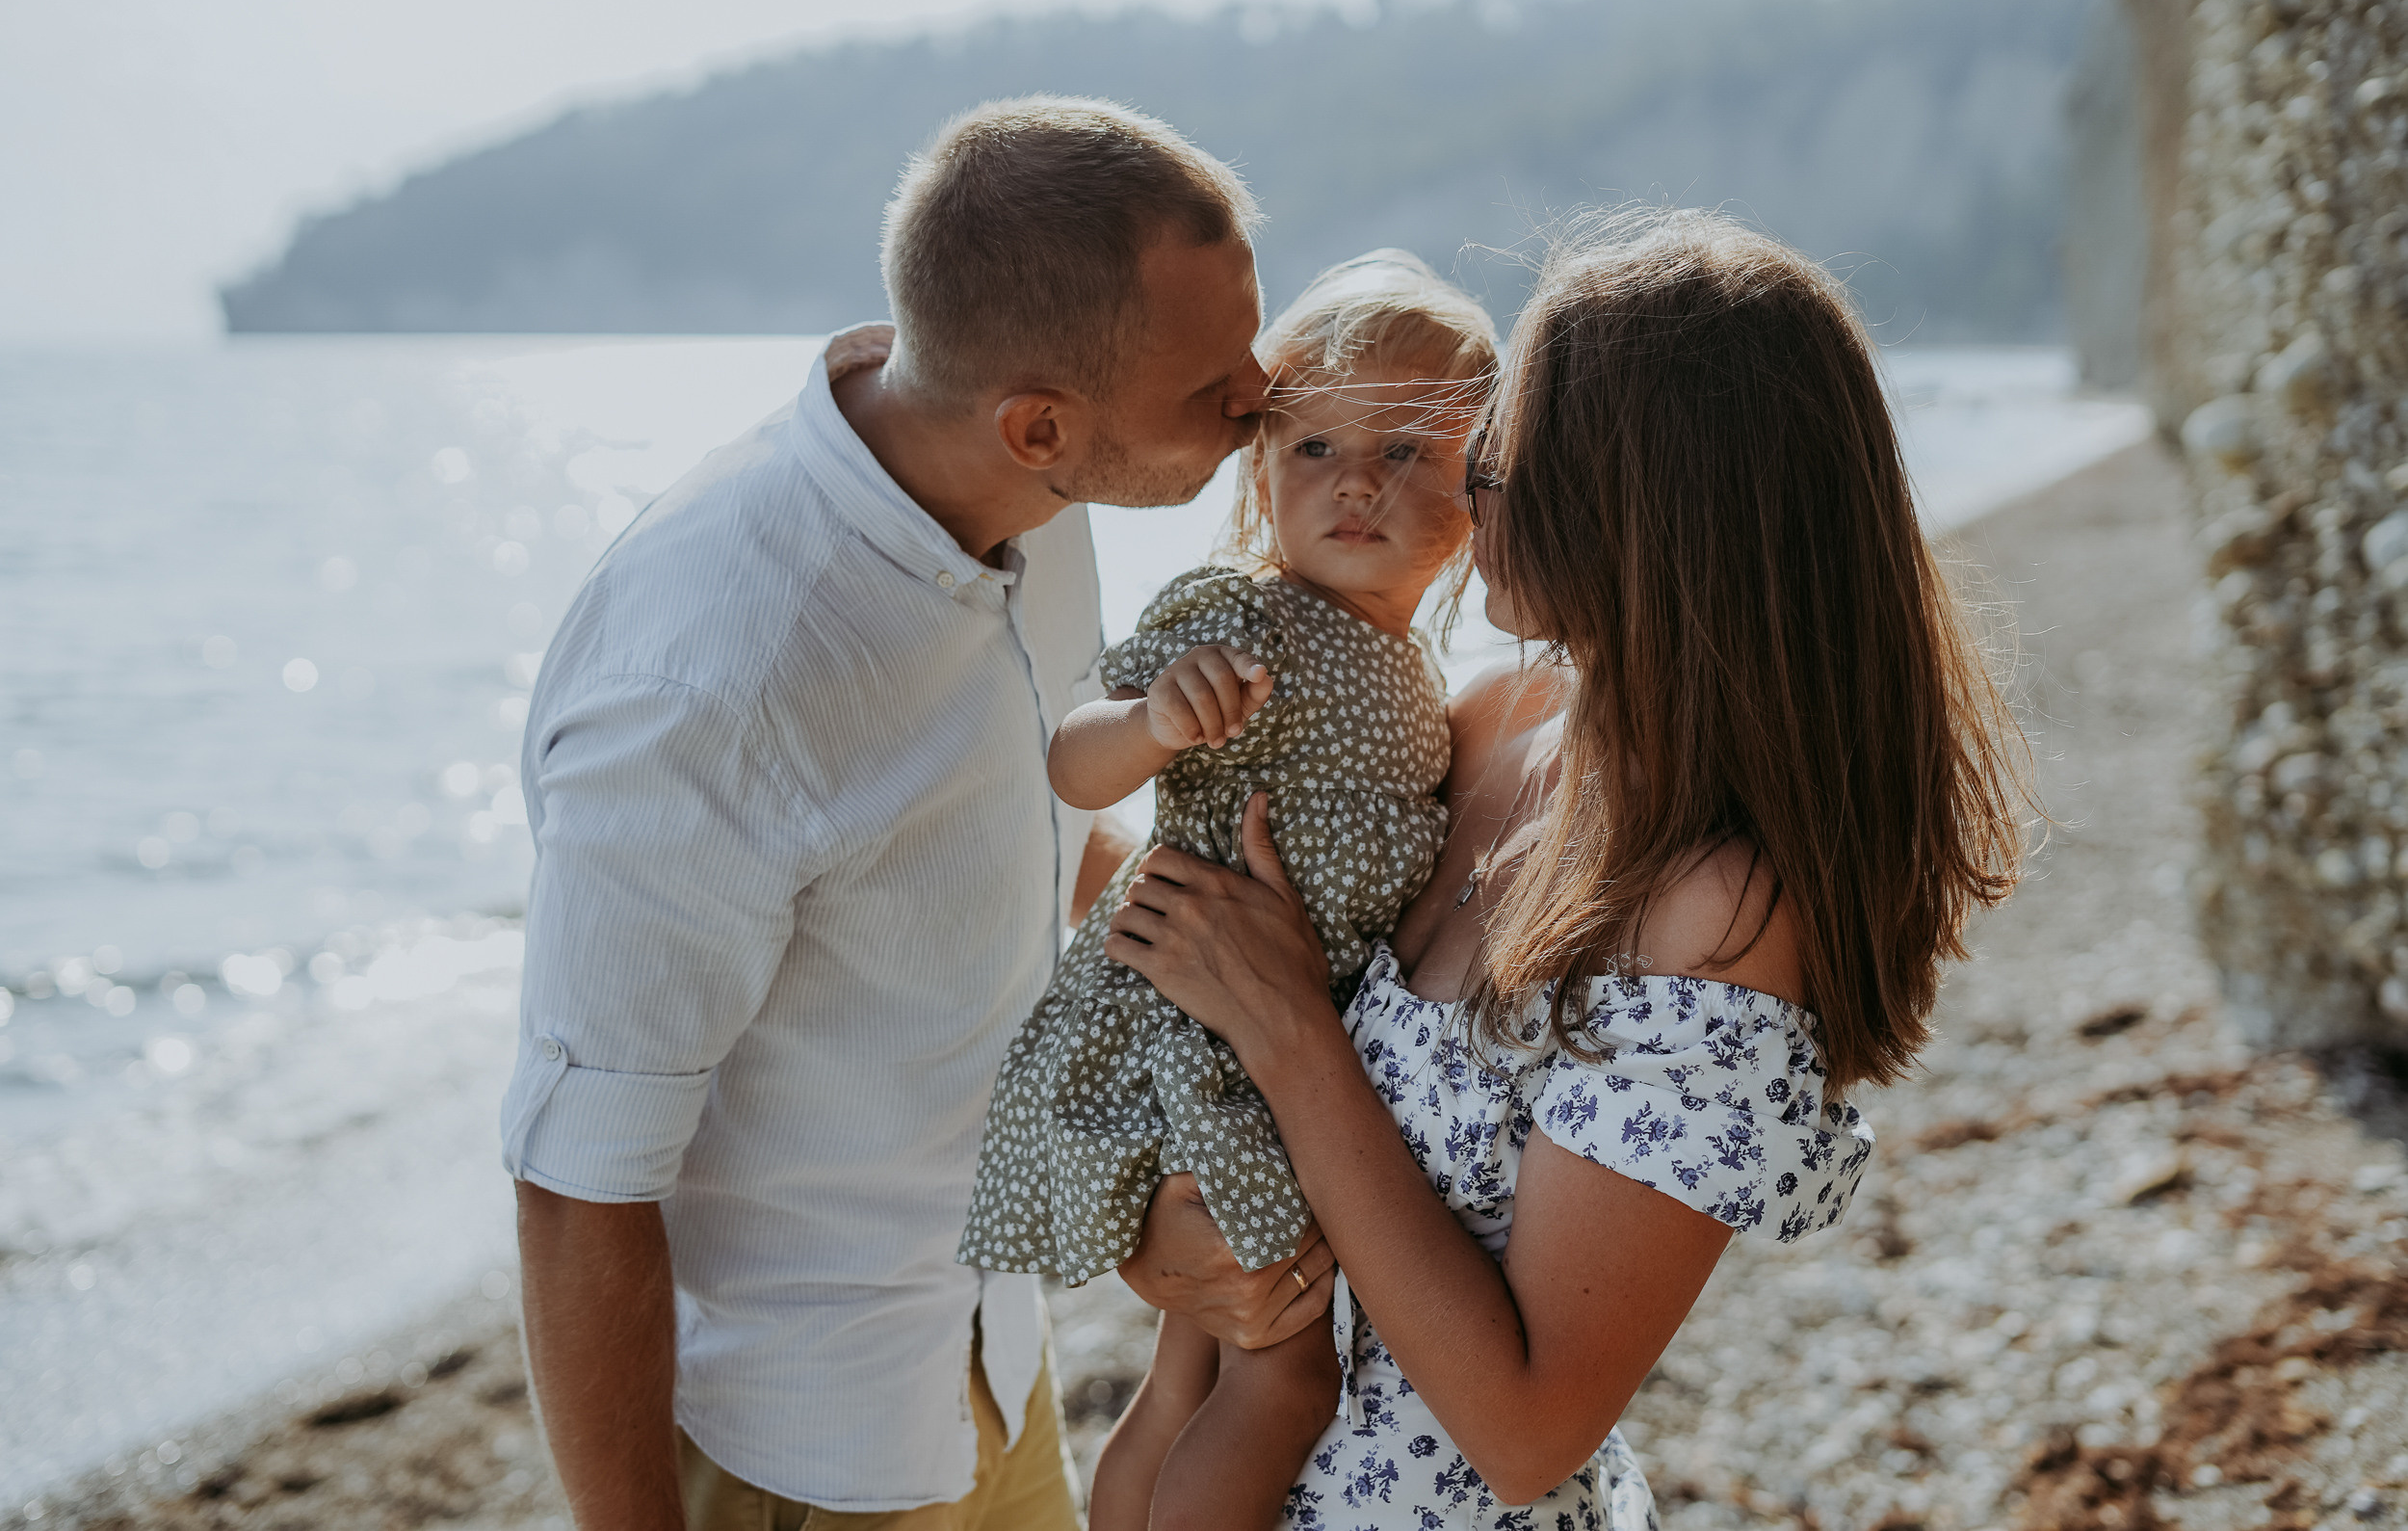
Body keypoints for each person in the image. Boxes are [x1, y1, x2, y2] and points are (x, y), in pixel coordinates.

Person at [1098, 208, 2034, 1524]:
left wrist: (1290, 1033)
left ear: (1643, 512)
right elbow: (1228, 1028)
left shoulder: (1719, 910)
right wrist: (1173, 1252)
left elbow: (1528, 1428)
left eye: (1501, 454)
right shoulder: (1487, 723)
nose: (1468, 487)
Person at [499, 95, 1303, 1531]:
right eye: (1215, 385)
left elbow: (1015, 858)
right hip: (794, 1454)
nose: (1266, 395)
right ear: (1041, 422)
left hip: (990, 1368)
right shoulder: (713, 679)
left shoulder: (1026, 496)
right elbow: (577, 1186)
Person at [958, 251, 1499, 1529]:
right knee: (1284, 1369)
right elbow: (1073, 759)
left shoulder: (1410, 668)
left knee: (1194, 1363)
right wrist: (1155, 721)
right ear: (1261, 465)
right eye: (1315, 448)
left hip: (1257, 1041)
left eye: (1409, 452)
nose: (1358, 482)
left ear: (1485, 487)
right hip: (1197, 1041)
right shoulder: (1252, 621)